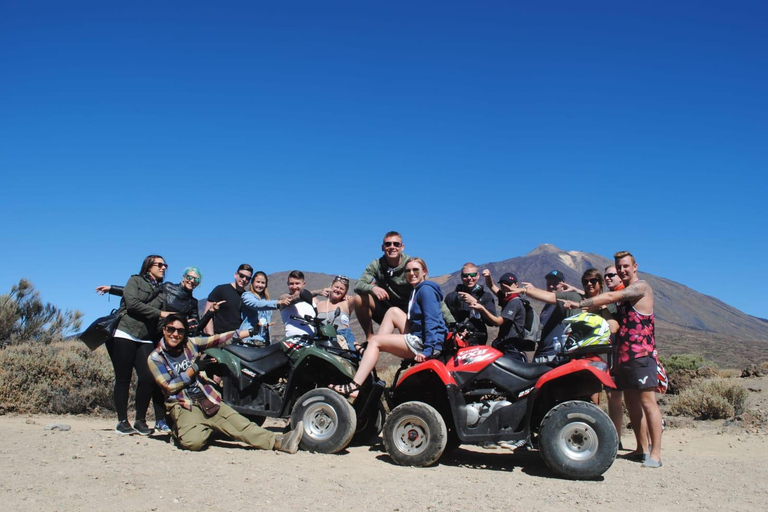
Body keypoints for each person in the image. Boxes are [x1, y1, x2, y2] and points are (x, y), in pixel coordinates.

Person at [562, 251, 663, 468]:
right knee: (633, 403)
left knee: (648, 402)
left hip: (642, 356)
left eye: (625, 266)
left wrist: (580, 304)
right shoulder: (624, 291)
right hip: (624, 357)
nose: (622, 270)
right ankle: (641, 448)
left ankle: (656, 453)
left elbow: (610, 297)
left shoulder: (641, 287)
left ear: (635, 266)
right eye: (619, 267)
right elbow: (609, 298)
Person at [147, 313, 304, 453]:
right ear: (164, 330)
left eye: (180, 331)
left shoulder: (190, 343)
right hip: (183, 404)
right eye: (171, 329)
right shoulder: (155, 358)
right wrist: (193, 368)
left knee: (240, 423)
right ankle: (181, 432)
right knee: (193, 442)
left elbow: (218, 338)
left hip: (206, 396)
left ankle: (279, 441)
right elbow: (168, 387)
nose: (175, 334)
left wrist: (249, 332)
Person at [330, 258, 447, 398]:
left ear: (424, 271)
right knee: (393, 311)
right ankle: (370, 353)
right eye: (408, 270)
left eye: (416, 270)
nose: (412, 273)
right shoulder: (417, 290)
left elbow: (432, 320)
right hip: (420, 335)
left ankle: (355, 386)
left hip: (424, 343)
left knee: (375, 341)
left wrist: (429, 350)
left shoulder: (426, 290)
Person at [106, 255, 173, 436]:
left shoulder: (162, 292)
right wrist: (160, 313)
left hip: (145, 337)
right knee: (123, 378)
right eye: (159, 265)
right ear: (148, 267)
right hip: (124, 332)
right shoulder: (134, 280)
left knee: (148, 377)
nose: (163, 268)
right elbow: (132, 304)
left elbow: (160, 321)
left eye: (165, 265)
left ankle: (140, 421)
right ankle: (122, 421)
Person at [354, 231, 453, 336]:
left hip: (408, 313)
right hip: (384, 309)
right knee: (359, 298)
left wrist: (451, 321)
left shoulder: (411, 266)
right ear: (382, 247)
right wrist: (372, 288)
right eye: (388, 244)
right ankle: (370, 337)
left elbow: (432, 295)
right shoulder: (376, 264)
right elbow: (358, 285)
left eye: (396, 244)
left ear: (402, 247)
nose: (392, 247)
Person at [96, 266, 216, 337]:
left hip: (172, 337)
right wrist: (111, 289)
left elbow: (197, 327)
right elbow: (140, 294)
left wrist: (210, 312)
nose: (192, 281)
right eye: (189, 277)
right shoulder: (167, 287)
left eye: (196, 279)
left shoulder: (193, 302)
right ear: (183, 278)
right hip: (154, 332)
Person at [471, 272, 527, 360]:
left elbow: (498, 322)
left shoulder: (515, 302)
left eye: (508, 284)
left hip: (511, 348)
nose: (505, 286)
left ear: (516, 285)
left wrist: (482, 309)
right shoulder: (506, 298)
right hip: (504, 345)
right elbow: (491, 286)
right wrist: (488, 277)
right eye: (502, 284)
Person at [443, 263, 497, 345]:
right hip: (455, 342)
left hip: (478, 342)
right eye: (465, 276)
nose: (469, 278)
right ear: (461, 277)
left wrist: (476, 303)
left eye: (472, 275)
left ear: (478, 276)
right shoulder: (451, 297)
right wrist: (455, 331)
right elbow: (444, 320)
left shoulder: (486, 296)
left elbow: (491, 322)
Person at [240, 271, 290, 345]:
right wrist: (278, 302)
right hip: (248, 340)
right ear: (252, 282)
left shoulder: (267, 301)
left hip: (264, 342)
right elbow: (257, 305)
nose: (260, 285)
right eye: (258, 282)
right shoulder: (247, 296)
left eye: (263, 283)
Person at [204, 264, 254, 335]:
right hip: (218, 337)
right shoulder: (221, 290)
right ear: (236, 274)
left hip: (236, 339)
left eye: (247, 278)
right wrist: (211, 337)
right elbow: (207, 314)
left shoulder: (247, 297)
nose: (244, 279)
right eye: (241, 276)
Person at [278, 270, 329, 339]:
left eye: (297, 283)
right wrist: (318, 292)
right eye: (291, 284)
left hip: (311, 342)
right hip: (292, 343)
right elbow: (295, 298)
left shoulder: (311, 302)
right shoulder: (284, 299)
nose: (294, 286)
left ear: (303, 284)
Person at [316, 275, 357, 349]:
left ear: (345, 292)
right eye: (336, 287)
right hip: (321, 342)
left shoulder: (347, 303)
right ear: (331, 286)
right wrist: (319, 292)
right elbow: (300, 295)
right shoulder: (319, 304)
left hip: (341, 344)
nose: (338, 290)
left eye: (342, 289)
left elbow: (360, 299)